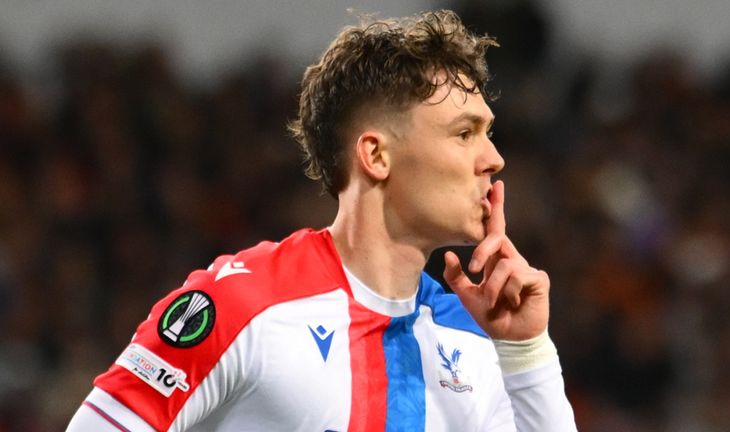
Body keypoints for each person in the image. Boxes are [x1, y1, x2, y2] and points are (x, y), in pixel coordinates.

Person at [66, 10, 577, 431]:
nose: (493, 159)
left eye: (488, 134)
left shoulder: (474, 336)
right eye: (465, 134)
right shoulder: (245, 304)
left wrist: (526, 350)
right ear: (376, 155)